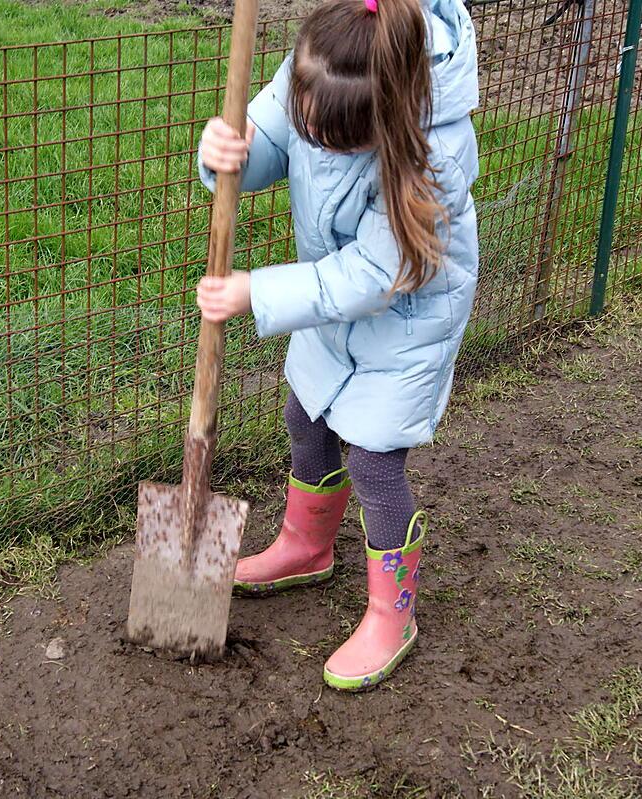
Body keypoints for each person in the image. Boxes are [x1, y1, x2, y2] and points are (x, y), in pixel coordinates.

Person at [195, 0, 478, 691]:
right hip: (335, 305)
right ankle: (306, 545)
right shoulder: (321, 71)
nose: (310, 136)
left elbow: (372, 275)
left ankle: (393, 612)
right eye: (305, 117)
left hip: (409, 318)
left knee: (375, 462)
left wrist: (256, 292)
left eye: (330, 136)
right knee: (305, 414)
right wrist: (228, 151)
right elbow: (271, 131)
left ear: (378, 125)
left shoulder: (430, 153)